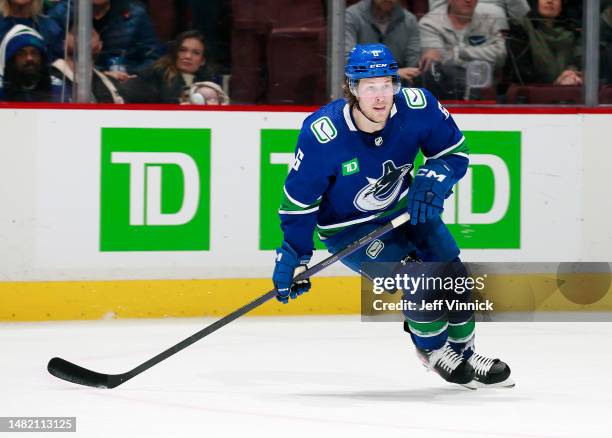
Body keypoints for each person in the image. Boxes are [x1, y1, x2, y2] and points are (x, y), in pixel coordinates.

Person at [271, 43, 513, 388]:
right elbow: (299, 201)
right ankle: (432, 349)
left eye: (387, 84)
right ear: (352, 88)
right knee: (419, 277)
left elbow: (454, 152)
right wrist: (295, 252)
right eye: (370, 87)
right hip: (348, 230)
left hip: (404, 209)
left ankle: (466, 351)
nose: (381, 96)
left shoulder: (418, 107)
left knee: (453, 271)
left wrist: (436, 178)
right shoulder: (322, 134)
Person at [48, 0, 161, 77]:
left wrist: (129, 74)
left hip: (125, 86)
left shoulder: (135, 14)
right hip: (73, 82)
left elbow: (154, 59)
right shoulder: (62, 13)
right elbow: (48, 58)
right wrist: (101, 75)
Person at [419, 0, 507, 99]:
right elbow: (436, 65)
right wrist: (482, 56)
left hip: (483, 91)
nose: (468, 1)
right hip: (444, 95)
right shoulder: (429, 23)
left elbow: (501, 55)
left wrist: (459, 52)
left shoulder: (488, 22)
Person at [119, 29, 217, 104]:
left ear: (203, 61)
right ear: (175, 53)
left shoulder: (207, 85)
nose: (188, 56)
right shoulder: (155, 74)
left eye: (195, 53)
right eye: (182, 50)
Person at [506, 0, 581, 85]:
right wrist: (555, 85)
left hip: (568, 90)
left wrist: (571, 72)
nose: (550, 1)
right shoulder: (521, 30)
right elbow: (522, 74)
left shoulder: (572, 33)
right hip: (532, 93)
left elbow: (578, 61)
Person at [345, 0, 421, 84]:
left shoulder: (409, 20)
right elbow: (348, 59)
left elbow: (413, 63)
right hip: (360, 84)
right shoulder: (351, 16)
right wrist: (390, 73)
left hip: (399, 86)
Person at [50, 25, 124, 103]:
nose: (82, 36)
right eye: (74, 33)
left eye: (89, 34)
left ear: (100, 46)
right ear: (64, 44)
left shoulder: (109, 84)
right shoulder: (47, 78)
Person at [0, 24, 61, 101]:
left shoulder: (58, 91)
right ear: (11, 59)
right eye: (21, 54)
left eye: (34, 52)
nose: (29, 58)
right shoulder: (1, 91)